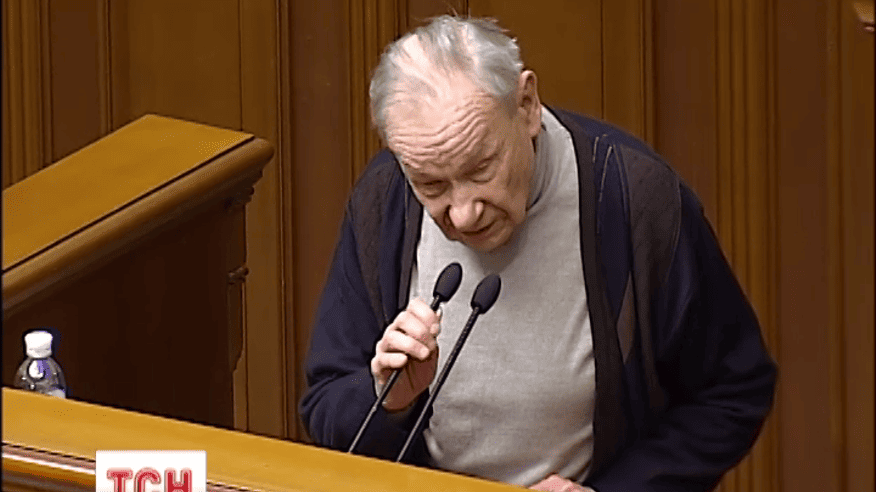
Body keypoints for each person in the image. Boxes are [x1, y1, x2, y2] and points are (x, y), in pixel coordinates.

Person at [300, 15, 777, 492]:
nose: (463, 214)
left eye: (481, 169)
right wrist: (388, 400)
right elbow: (325, 406)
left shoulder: (634, 198)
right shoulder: (384, 199)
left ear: (527, 105)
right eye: (432, 186)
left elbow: (733, 391)